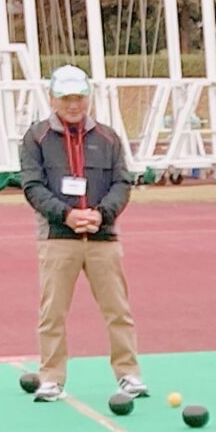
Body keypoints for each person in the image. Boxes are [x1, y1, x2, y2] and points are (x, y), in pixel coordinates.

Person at [17, 64, 142, 404]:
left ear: (88, 97)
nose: (73, 104)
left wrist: (101, 215)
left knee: (118, 310)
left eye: (79, 97)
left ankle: (128, 374)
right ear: (52, 98)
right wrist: (68, 215)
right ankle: (52, 378)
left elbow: (121, 183)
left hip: (103, 238)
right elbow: (32, 186)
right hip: (58, 238)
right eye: (66, 98)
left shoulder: (108, 137)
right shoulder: (36, 138)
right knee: (53, 312)